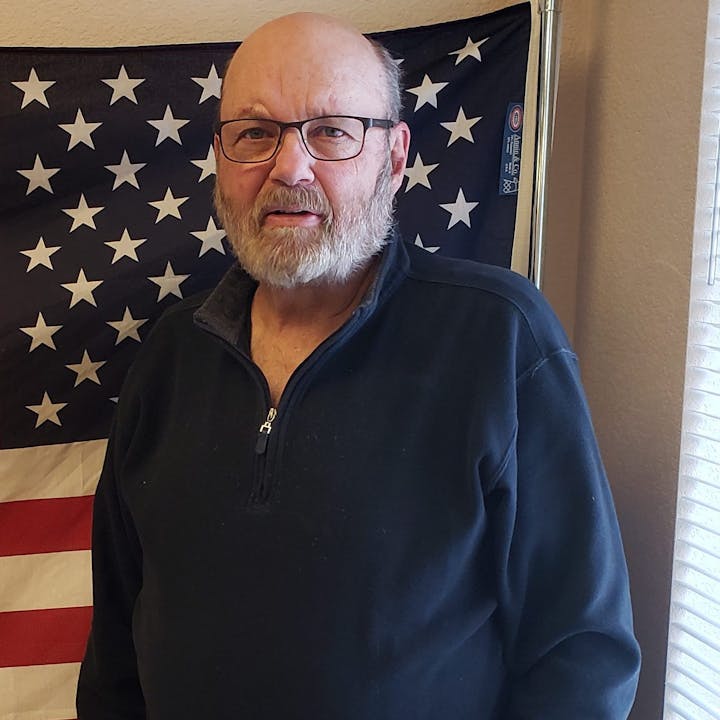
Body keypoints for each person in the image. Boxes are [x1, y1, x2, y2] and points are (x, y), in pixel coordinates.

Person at [77, 12, 641, 719]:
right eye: (254, 133)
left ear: (395, 156)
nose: (289, 167)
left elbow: (582, 654)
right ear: (221, 160)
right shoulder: (168, 354)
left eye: (332, 131)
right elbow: (114, 656)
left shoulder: (500, 340)